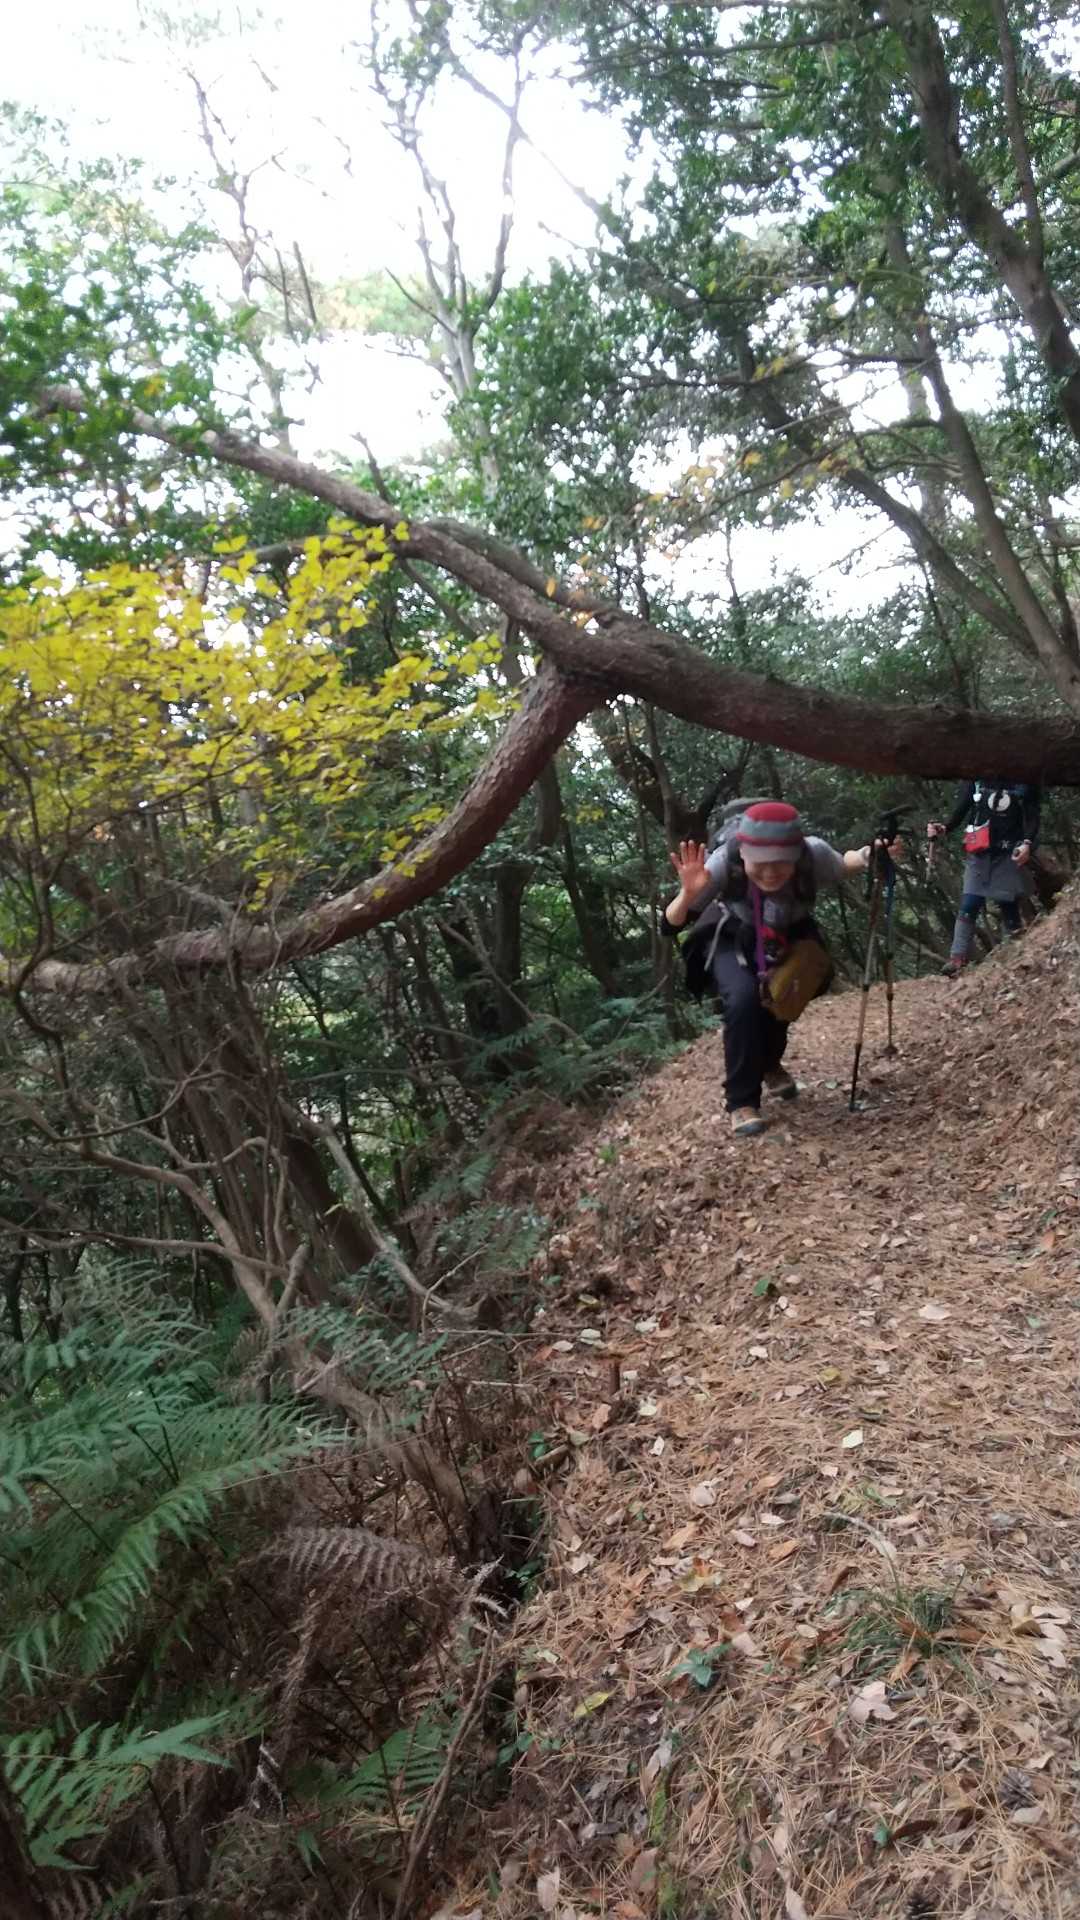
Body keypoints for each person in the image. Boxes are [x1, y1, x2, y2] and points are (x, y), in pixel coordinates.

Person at [664, 800, 896, 1138]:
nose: (770, 872)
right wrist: (687, 895)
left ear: (796, 854)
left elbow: (841, 865)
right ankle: (742, 1102)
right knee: (744, 1001)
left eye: (781, 863)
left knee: (783, 996)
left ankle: (769, 1064)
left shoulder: (811, 853)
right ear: (744, 855)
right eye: (760, 864)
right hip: (733, 933)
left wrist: (866, 855)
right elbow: (670, 924)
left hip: (788, 933)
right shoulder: (723, 862)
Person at [926, 779, 1041, 978]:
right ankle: (957, 958)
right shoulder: (977, 777)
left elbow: (1032, 815)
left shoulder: (1024, 779)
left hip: (1007, 852)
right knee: (970, 902)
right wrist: (945, 827)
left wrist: (1027, 843)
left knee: (1007, 903)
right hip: (978, 851)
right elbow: (963, 806)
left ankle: (1015, 953)